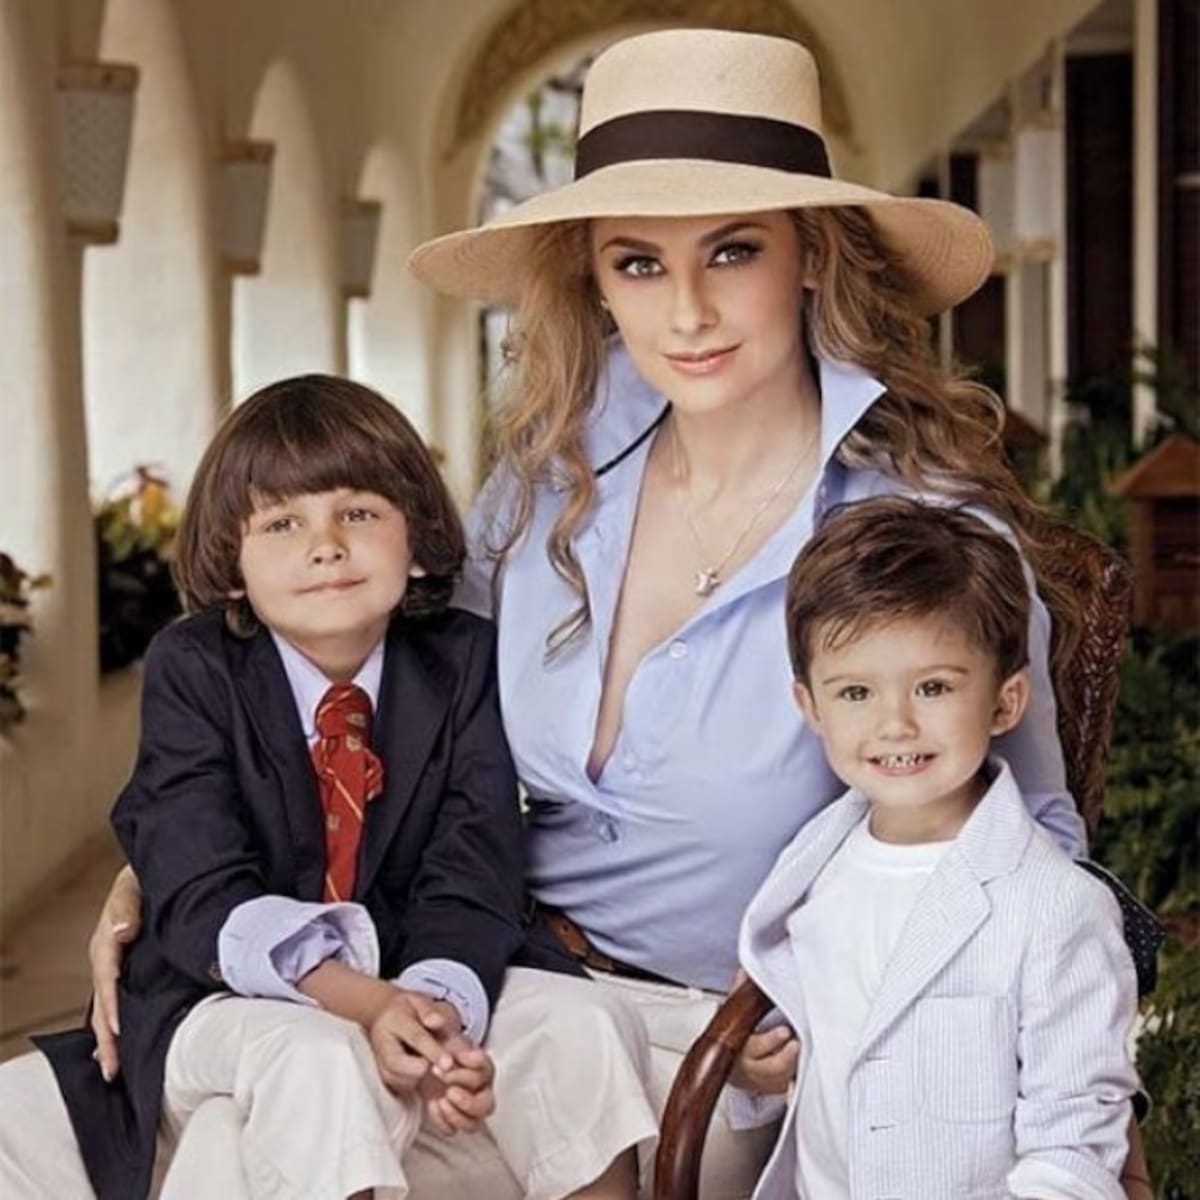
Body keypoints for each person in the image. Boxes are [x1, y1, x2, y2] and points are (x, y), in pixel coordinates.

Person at [71, 26, 1153, 1198]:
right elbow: (392, 705)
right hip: (501, 989)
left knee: (242, 1157)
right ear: (591, 278)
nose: (686, 311)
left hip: (738, 1050)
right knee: (232, 1131)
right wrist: (163, 876)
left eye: (732, 251)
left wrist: (866, 1002)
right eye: (637, 263)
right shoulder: (546, 488)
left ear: (810, 254)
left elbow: (1031, 851)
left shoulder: (918, 536)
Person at [0, 375, 657, 1200]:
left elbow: (474, 864)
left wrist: (431, 1012)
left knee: (581, 1024)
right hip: (220, 989)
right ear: (231, 564)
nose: (326, 546)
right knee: (317, 1055)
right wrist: (365, 1004)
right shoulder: (194, 667)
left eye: (359, 513)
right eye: (282, 523)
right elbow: (199, 884)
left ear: (417, 540)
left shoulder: (463, 659)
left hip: (418, 965)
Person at [738, 496, 1139, 1199]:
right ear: (810, 707)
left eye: (932, 687)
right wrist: (755, 1071)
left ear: (1005, 702)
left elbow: (1073, 1147)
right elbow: (816, 1051)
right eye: (856, 692)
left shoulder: (1057, 907)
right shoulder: (812, 869)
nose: (895, 724)